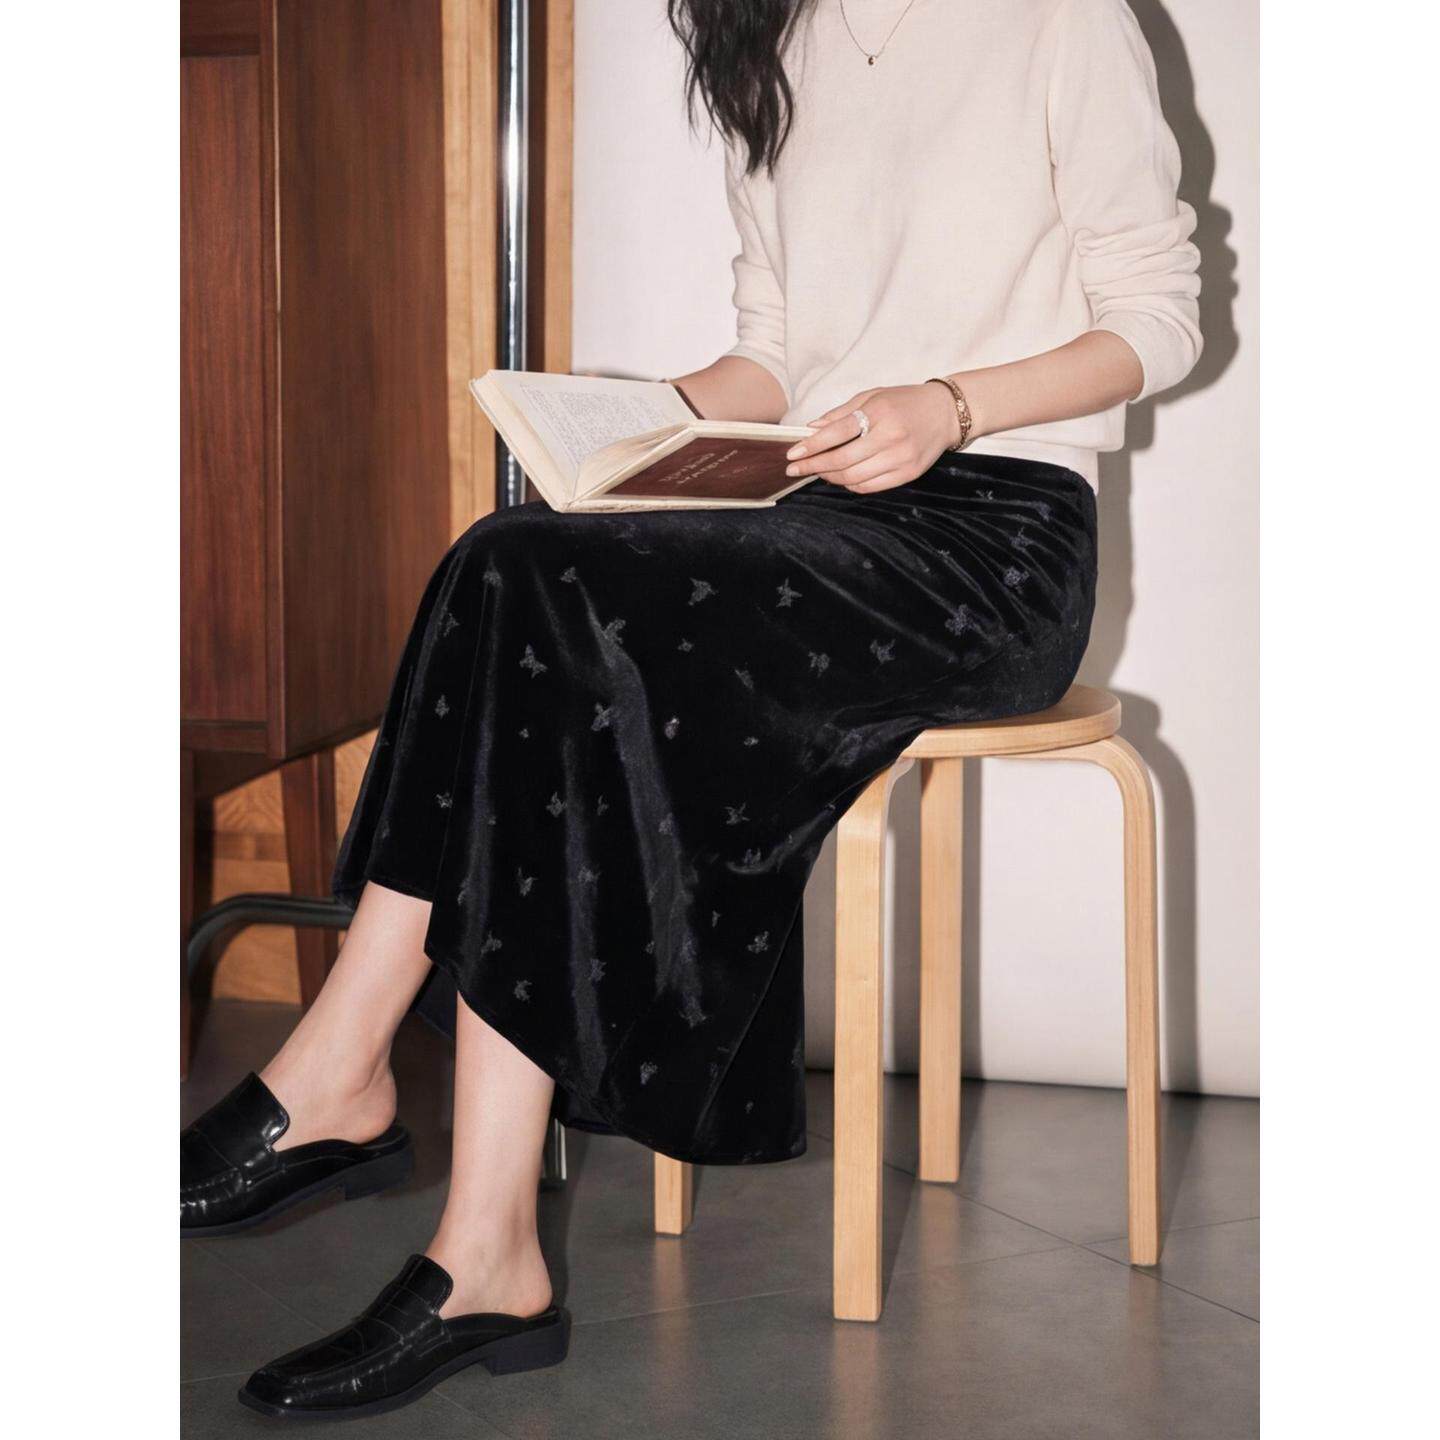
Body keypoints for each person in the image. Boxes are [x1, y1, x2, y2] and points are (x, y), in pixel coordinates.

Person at [181, 0, 1201, 1421]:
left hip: (995, 541)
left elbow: (1158, 322)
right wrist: (634, 423)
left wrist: (952, 406)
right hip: (815, 512)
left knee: (535, 586)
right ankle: (470, 1232)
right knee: (511, 558)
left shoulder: (1058, 17)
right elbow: (774, 354)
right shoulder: (769, 38)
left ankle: (357, 1087)